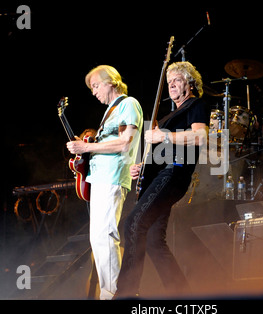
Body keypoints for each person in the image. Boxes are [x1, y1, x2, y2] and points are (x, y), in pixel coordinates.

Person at [114, 61, 210, 298]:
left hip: (175, 173)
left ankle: (126, 294)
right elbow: (162, 152)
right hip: (162, 173)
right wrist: (143, 167)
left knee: (134, 224)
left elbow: (199, 136)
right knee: (155, 241)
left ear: (190, 82)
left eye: (177, 80)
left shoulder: (196, 105)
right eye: (169, 82)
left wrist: (162, 134)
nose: (172, 85)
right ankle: (181, 295)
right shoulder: (169, 115)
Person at [66, 65, 143, 299]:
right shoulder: (110, 110)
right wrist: (85, 148)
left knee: (105, 235)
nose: (93, 91)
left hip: (112, 178)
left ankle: (113, 294)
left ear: (111, 81)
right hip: (100, 178)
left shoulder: (128, 104)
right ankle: (111, 291)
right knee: (98, 237)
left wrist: (87, 147)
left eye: (96, 85)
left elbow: (125, 143)